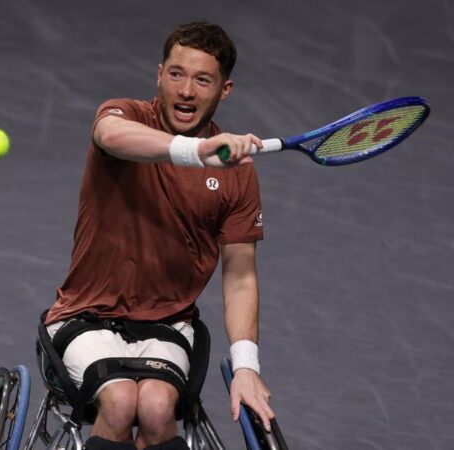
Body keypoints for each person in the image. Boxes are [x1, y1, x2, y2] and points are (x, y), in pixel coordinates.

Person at [43, 22, 275, 450]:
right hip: (85, 317)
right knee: (118, 402)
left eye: (202, 79)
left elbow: (240, 275)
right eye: (176, 74)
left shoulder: (238, 177)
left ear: (224, 90)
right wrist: (194, 153)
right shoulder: (124, 116)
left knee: (154, 406)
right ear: (159, 75)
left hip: (167, 325)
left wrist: (246, 366)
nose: (186, 90)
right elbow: (110, 136)